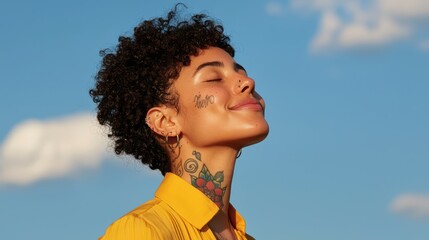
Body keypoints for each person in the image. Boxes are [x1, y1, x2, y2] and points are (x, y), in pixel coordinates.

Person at [90, 4, 269, 240]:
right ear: (164, 121)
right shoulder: (142, 231)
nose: (248, 82)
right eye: (213, 78)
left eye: (241, 73)